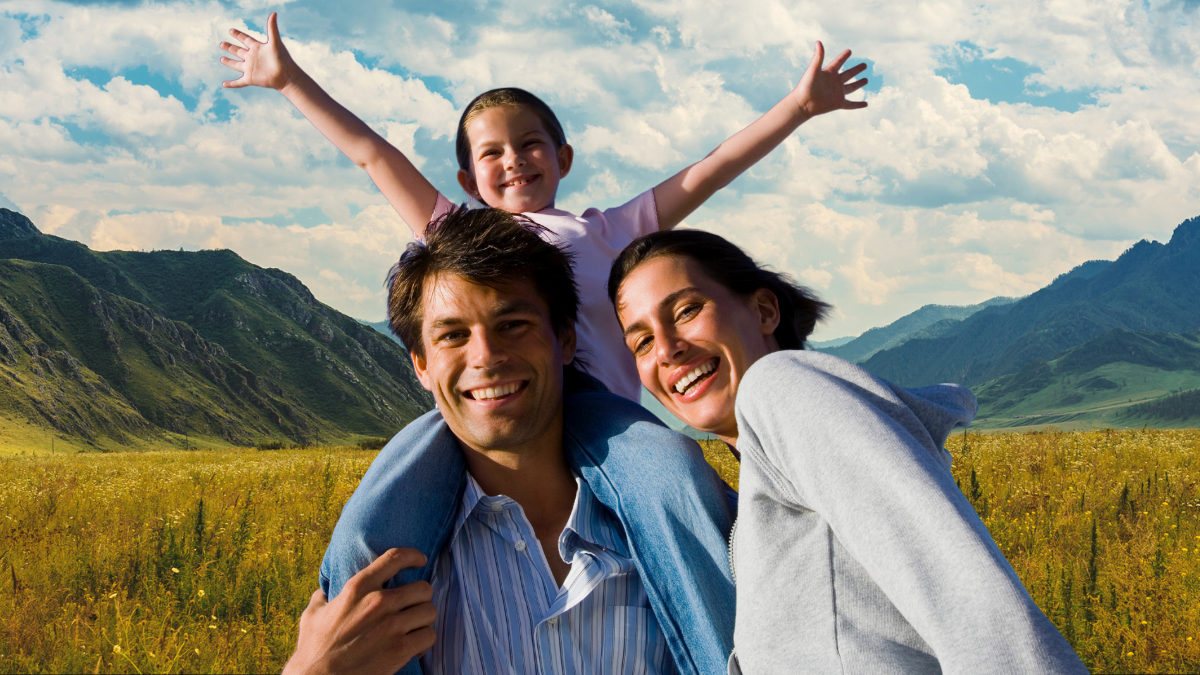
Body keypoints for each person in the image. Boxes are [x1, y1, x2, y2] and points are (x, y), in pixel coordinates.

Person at [218, 12, 868, 401]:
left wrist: (799, 108)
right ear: (468, 180)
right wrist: (289, 81)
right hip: (495, 413)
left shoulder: (613, 231)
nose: (514, 160)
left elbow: (708, 171)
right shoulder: (456, 234)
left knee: (673, 493)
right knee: (395, 487)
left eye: (530, 144)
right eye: (492, 154)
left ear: (564, 159)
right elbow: (372, 155)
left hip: (606, 422)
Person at [607, 230, 1089, 674]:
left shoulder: (780, 388)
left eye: (687, 310)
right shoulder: (762, 475)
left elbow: (967, 596)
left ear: (764, 312)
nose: (667, 349)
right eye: (643, 341)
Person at [284, 207, 737, 675]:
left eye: (512, 324)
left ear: (564, 339)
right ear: (421, 365)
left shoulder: (682, 523)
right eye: (453, 335)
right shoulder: (382, 581)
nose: (486, 356)